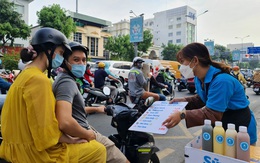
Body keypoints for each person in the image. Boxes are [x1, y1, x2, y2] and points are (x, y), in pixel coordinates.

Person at [0, 27, 106, 162]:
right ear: (49, 50)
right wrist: (83, 135)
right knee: (98, 150)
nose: (61, 58)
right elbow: (46, 133)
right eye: (61, 52)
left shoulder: (24, 75)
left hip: (14, 148)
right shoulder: (39, 80)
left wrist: (69, 138)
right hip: (33, 155)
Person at [162, 42, 257, 145]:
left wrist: (182, 114)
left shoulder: (222, 81)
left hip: (240, 127)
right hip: (220, 127)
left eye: (183, 62)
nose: (181, 67)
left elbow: (212, 114)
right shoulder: (198, 79)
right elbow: (203, 98)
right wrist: (184, 101)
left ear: (195, 61)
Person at [52, 41, 129, 163]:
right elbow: (65, 122)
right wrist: (87, 134)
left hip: (81, 128)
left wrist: (96, 109)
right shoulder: (67, 83)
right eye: (76, 60)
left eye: (83, 60)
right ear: (65, 61)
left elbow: (70, 110)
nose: (81, 64)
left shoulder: (64, 78)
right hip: (80, 133)